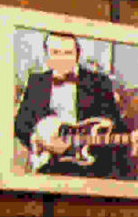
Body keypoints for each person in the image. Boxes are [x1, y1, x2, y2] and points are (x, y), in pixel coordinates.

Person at [14, 32, 130, 179]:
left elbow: (116, 125)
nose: (62, 58)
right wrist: (40, 140)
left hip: (90, 166)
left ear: (77, 54)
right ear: (47, 56)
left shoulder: (99, 82)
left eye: (67, 53)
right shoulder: (36, 82)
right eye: (55, 52)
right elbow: (21, 124)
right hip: (47, 164)